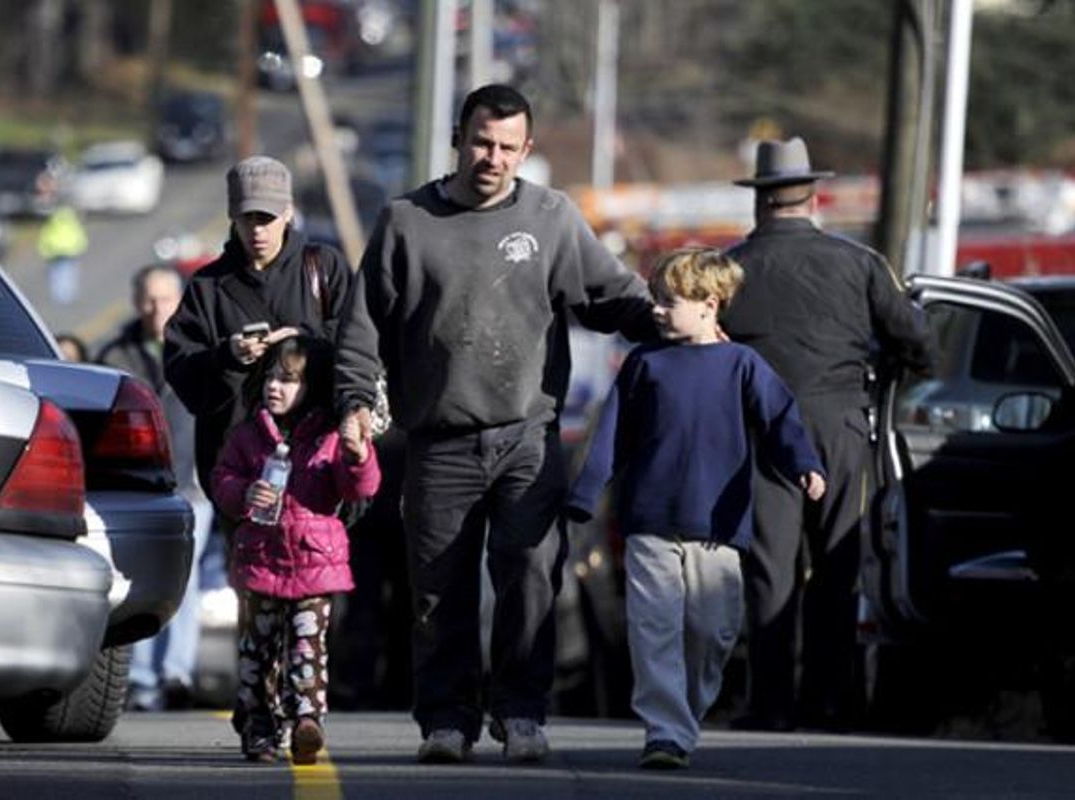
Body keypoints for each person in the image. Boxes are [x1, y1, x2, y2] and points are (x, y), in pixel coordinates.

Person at [333, 83, 657, 764]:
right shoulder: (405, 222)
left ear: (526, 151)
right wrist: (354, 399)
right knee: (438, 590)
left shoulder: (551, 218)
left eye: (509, 147)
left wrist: (664, 316)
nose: (493, 157)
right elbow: (363, 327)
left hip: (526, 439)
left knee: (531, 577)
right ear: (460, 137)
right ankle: (448, 721)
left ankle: (521, 713)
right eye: (483, 142)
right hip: (439, 442)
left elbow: (608, 295)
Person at [567, 247, 826, 769]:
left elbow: (781, 419)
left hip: (718, 527)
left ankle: (684, 711)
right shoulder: (644, 363)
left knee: (712, 631)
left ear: (709, 304)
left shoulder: (742, 365)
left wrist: (804, 463)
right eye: (654, 300)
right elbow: (611, 437)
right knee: (654, 626)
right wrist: (583, 493)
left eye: (667, 302)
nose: (655, 311)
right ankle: (665, 732)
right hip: (649, 523)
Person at [720, 137, 934, 731]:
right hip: (840, 426)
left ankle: (769, 705)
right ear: (813, 196)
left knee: (770, 571)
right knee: (836, 568)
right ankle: (828, 700)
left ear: (760, 201)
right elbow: (918, 339)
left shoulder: (732, 267)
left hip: (763, 431)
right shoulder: (859, 263)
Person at [210, 336, 380, 764]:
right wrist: (245, 493)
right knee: (257, 651)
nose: (274, 387)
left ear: (313, 386)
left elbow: (358, 487)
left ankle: (307, 720)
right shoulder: (248, 436)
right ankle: (258, 726)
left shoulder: (328, 438)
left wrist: (359, 456)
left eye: (288, 380)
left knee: (308, 645)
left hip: (313, 563)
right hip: (260, 562)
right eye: (270, 377)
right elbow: (222, 481)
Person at [164, 155, 352, 496]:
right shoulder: (207, 285)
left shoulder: (324, 269)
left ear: (289, 213)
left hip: (320, 462)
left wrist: (303, 342)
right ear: (232, 218)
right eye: (246, 218)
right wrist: (229, 355)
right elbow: (180, 367)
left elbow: (361, 342)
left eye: (266, 218)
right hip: (240, 468)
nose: (257, 230)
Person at [97, 264, 214, 712]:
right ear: (135, 301)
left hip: (191, 484)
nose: (156, 308)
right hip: (136, 487)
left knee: (184, 581)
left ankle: (177, 671)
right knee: (138, 580)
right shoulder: (116, 356)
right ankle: (141, 676)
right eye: (148, 299)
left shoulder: (201, 349)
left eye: (166, 299)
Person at [38, 204, 88, 305]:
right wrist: (81, 248)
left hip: (55, 252)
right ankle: (68, 295)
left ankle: (59, 296)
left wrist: (45, 252)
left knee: (56, 275)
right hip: (70, 251)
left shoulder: (52, 223)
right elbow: (80, 236)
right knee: (69, 274)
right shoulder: (72, 223)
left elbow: (44, 238)